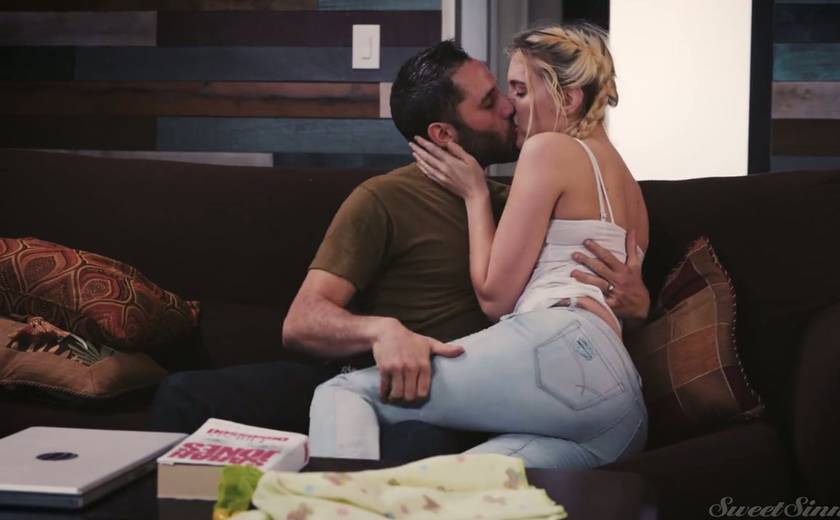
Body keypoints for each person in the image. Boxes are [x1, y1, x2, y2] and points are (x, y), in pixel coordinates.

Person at [150, 35, 651, 462]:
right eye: (491, 100)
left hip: (476, 391)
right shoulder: (384, 199)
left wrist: (637, 301)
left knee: (417, 440)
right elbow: (301, 322)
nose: (508, 106)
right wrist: (382, 330)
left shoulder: (523, 198)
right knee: (181, 393)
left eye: (513, 91)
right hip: (387, 374)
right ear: (443, 134)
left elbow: (552, 294)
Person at [307, 23, 649, 469]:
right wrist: (641, 307)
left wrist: (475, 195)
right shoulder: (631, 186)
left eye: (520, 91)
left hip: (563, 351)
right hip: (620, 408)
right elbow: (622, 302)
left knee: (343, 392)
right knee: (452, 488)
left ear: (567, 100)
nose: (511, 106)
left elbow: (494, 296)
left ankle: (329, 504)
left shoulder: (548, 150)